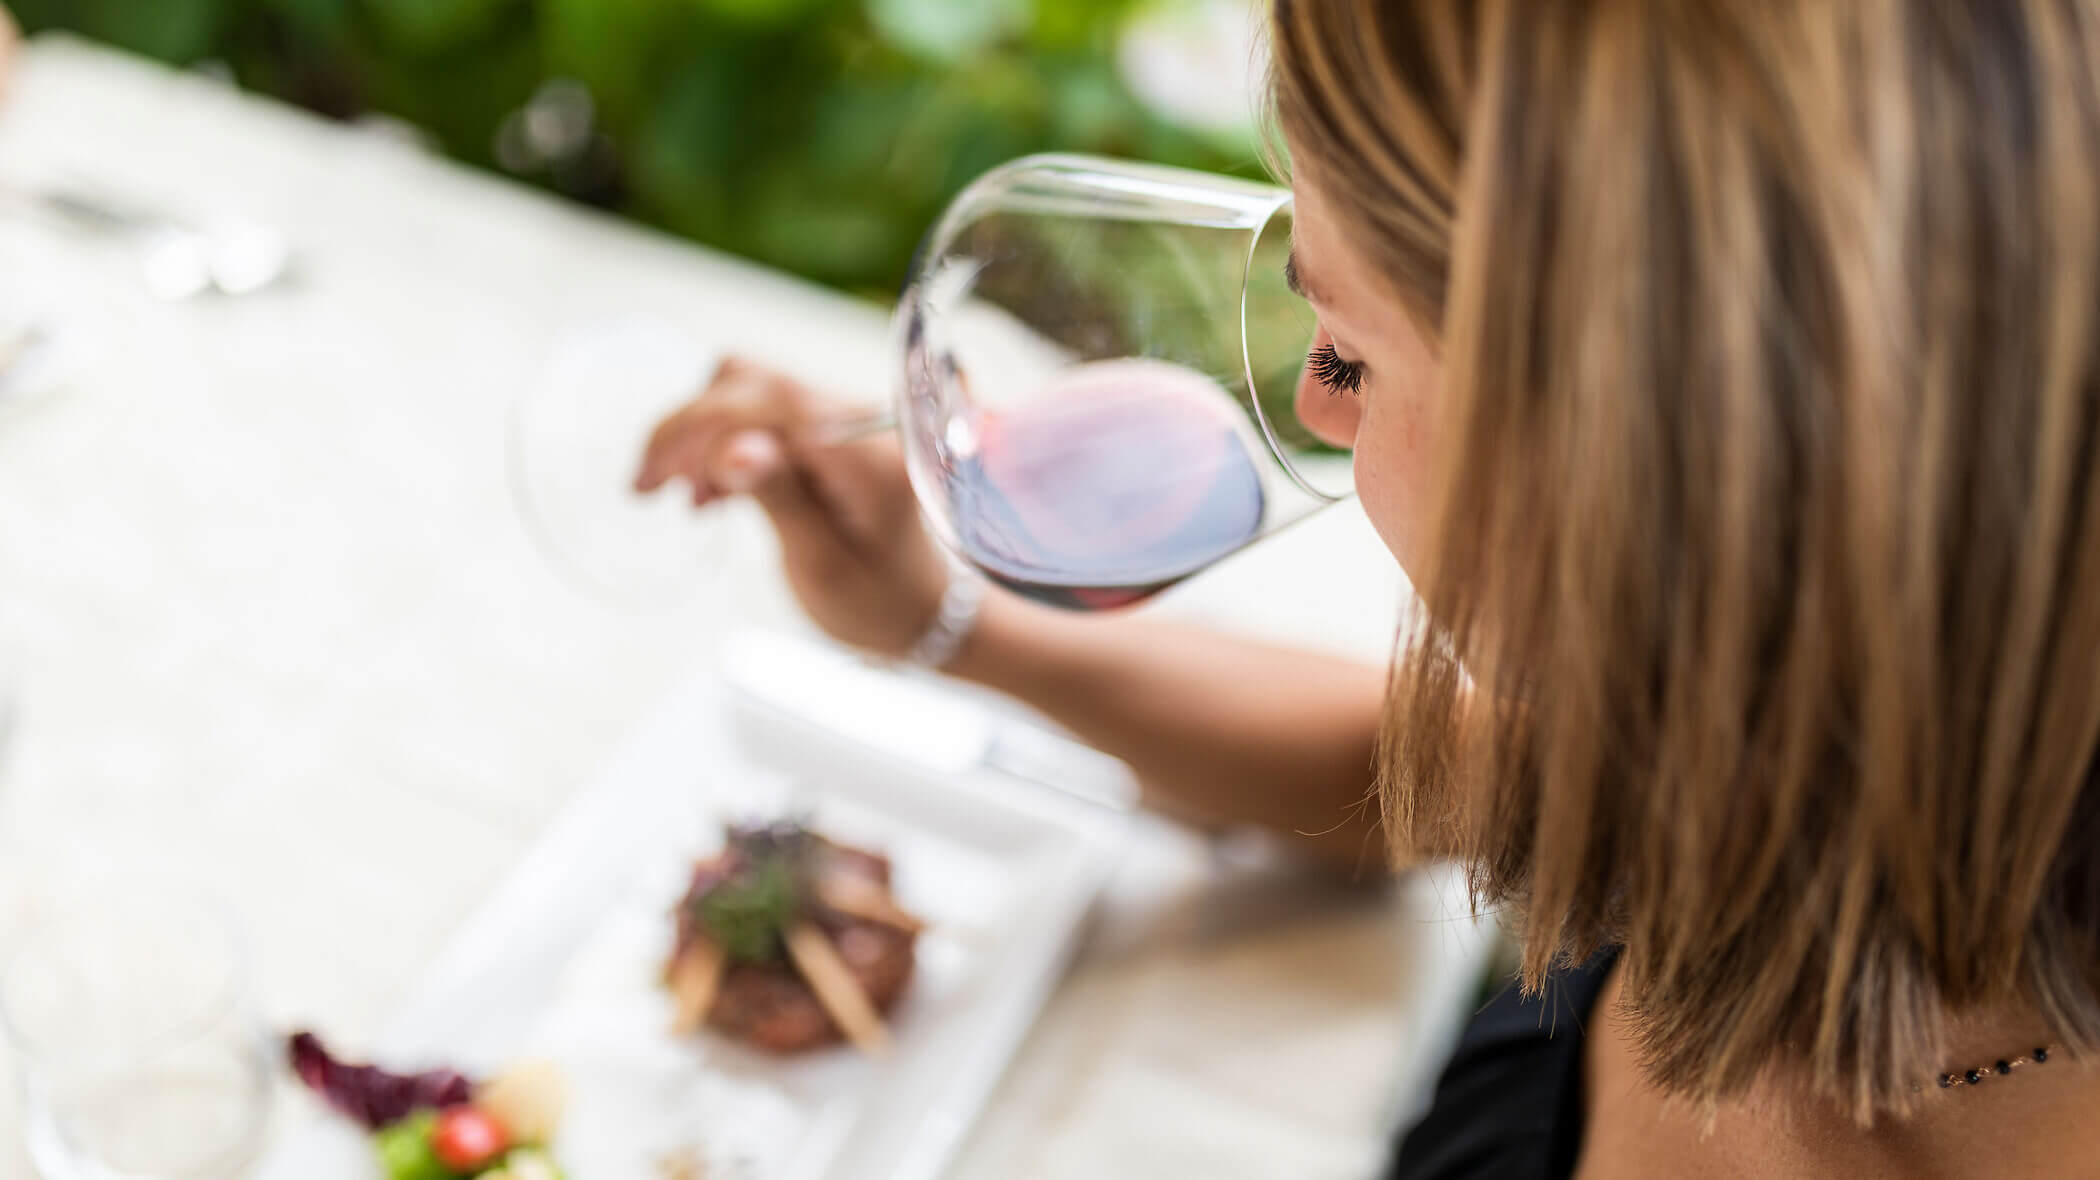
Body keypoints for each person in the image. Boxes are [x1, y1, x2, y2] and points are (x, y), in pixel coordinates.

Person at [639, 1, 2100, 1175]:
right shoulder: (1791, 751)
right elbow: (1392, 775)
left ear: (1648, 482)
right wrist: (936, 618)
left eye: (1347, 354)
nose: (1315, 413)